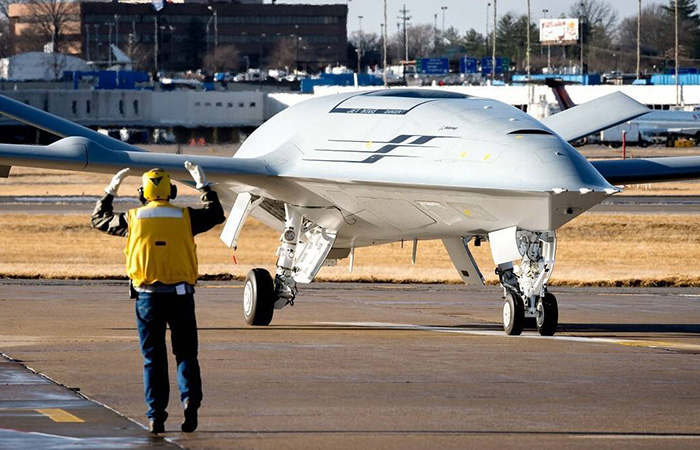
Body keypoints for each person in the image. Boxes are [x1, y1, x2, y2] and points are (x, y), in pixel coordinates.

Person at [91, 162, 226, 434]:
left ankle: (156, 416)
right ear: (172, 191)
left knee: (153, 358)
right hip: (181, 296)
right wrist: (204, 186)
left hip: (148, 298)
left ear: (142, 194)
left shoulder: (133, 218)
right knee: (186, 353)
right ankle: (189, 400)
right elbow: (216, 214)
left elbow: (99, 219)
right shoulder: (185, 216)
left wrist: (110, 190)